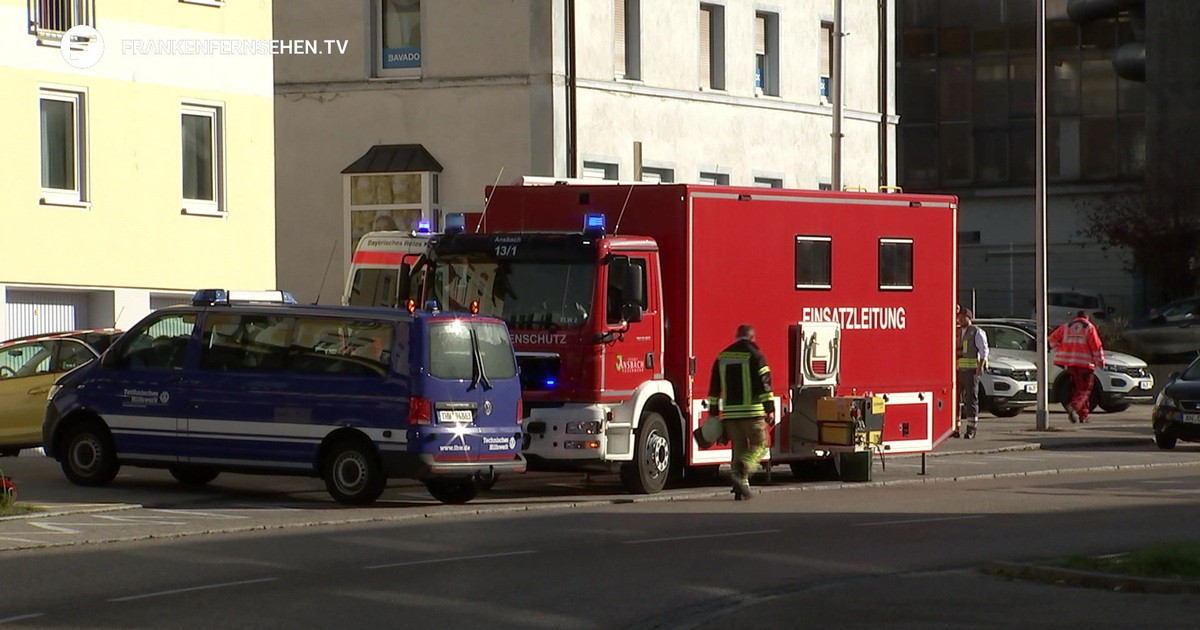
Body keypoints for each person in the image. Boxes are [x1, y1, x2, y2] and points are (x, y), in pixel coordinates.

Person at [706, 324, 775, 500]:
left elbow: (714, 387)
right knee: (760, 445)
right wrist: (770, 409)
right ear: (753, 337)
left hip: (730, 415)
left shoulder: (723, 356)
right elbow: (764, 383)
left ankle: (740, 486)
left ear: (736, 336)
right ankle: (745, 467)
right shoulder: (755, 354)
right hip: (752, 412)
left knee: (739, 448)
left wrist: (713, 411)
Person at [1048, 309, 1105, 423]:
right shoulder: (1089, 327)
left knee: (1078, 389)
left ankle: (1084, 415)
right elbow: (1096, 346)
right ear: (1087, 318)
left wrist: (1059, 350)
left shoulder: (1066, 327)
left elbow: (1052, 339)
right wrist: (1101, 362)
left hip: (1070, 364)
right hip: (1085, 364)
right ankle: (1073, 407)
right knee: (1085, 389)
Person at [956, 307, 988, 439]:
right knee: (955, 399)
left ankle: (971, 428)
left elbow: (984, 350)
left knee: (971, 399)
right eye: (959, 317)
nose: (961, 319)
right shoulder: (957, 331)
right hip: (957, 371)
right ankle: (955, 427)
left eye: (963, 317)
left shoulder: (977, 332)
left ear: (969, 318)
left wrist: (980, 366)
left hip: (971, 371)